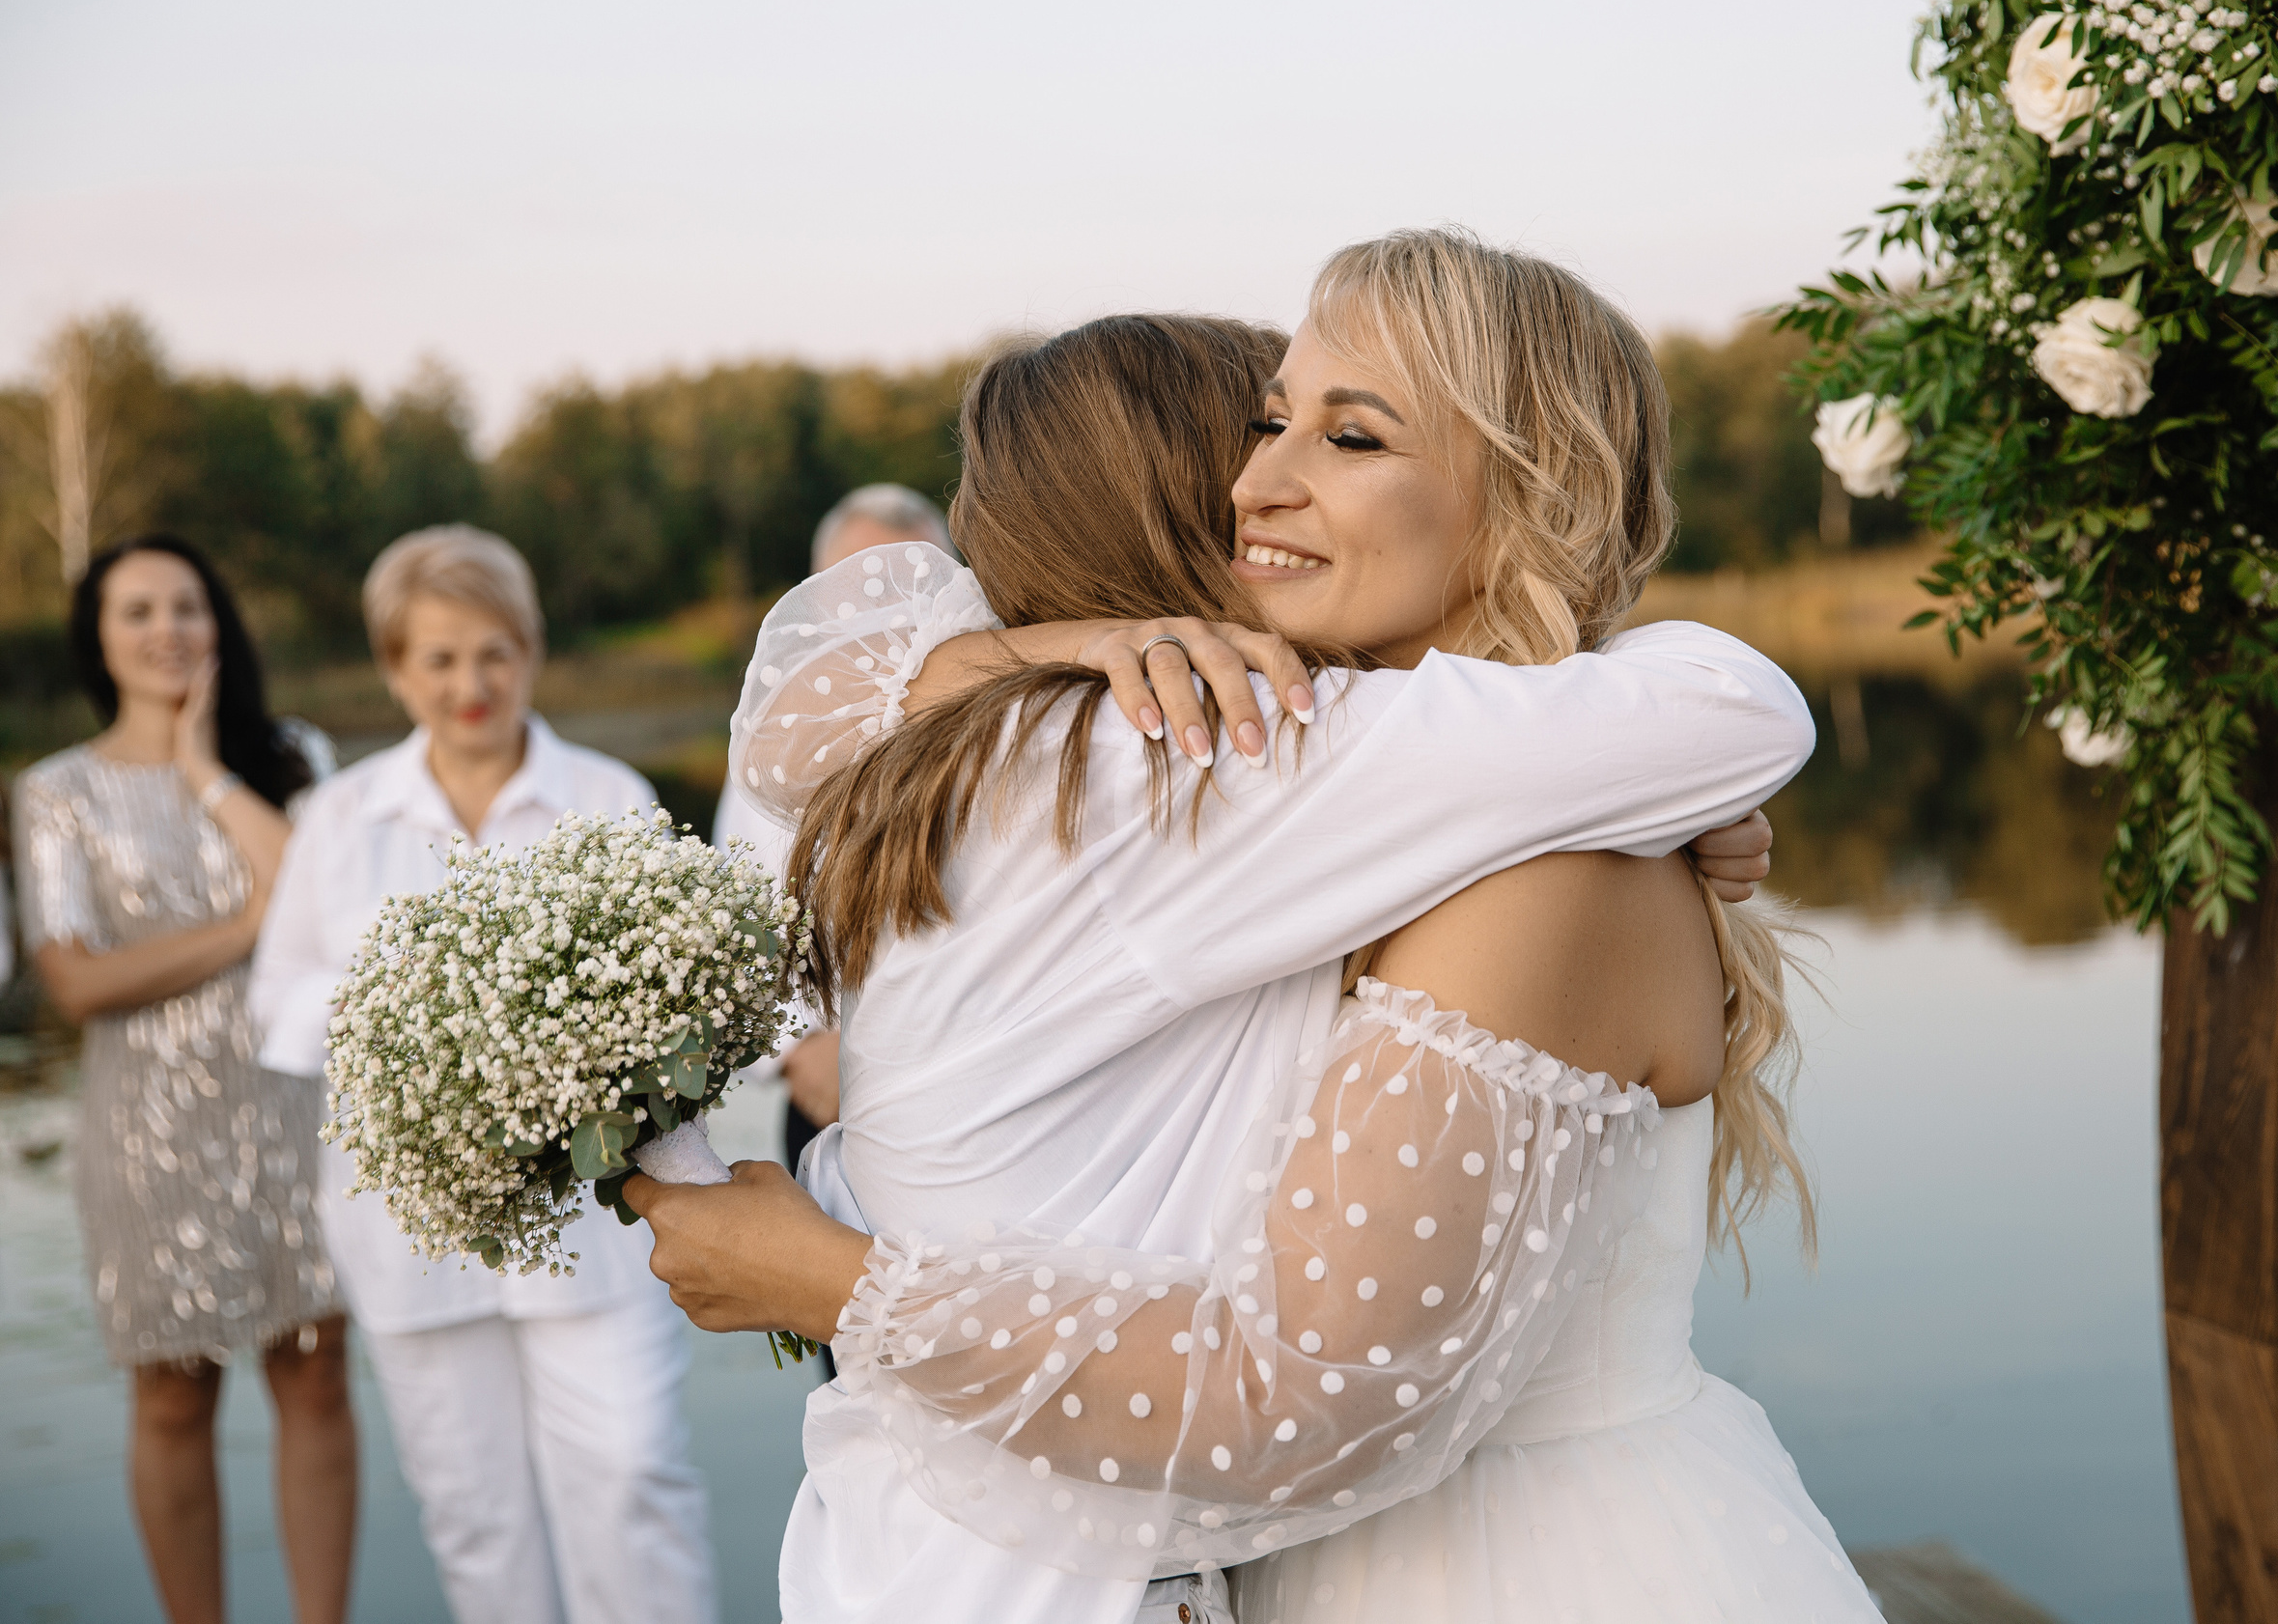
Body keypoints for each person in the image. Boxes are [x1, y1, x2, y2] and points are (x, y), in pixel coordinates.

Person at [632, 238, 1856, 1623]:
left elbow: (1302, 1395)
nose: (1256, 482)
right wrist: (1037, 646)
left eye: (1351, 434)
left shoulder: (1507, 846)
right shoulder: (1318, 778)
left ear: (1528, 491)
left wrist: (836, 1281)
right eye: (1270, 422)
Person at [246, 524, 718, 1624]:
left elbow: (682, 1011)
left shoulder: (607, 792)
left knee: (634, 1476)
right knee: (474, 1516)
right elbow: (278, 1005)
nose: (471, 685)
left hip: (598, 1228)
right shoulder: (340, 818)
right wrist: (420, 1008)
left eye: (494, 653)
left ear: (533, 651)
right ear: (394, 668)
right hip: (411, 1233)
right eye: (440, 658)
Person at [14, 536, 351, 1624]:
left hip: (296, 1107)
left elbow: (325, 903)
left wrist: (206, 770)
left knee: (316, 1371)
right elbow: (76, 981)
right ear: (99, 640)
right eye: (138, 611)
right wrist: (245, 929)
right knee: (172, 1393)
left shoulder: (290, 753)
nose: (167, 629)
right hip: (146, 1132)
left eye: (187, 606)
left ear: (219, 624)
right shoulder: (58, 792)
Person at [712, 482, 957, 1169]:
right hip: (830, 1096)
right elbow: (741, 913)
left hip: (970, 1085)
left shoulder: (992, 728)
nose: (888, 612)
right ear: (814, 603)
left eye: (909, 584)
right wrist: (799, 1050)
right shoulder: (774, 745)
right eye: (862, 589)